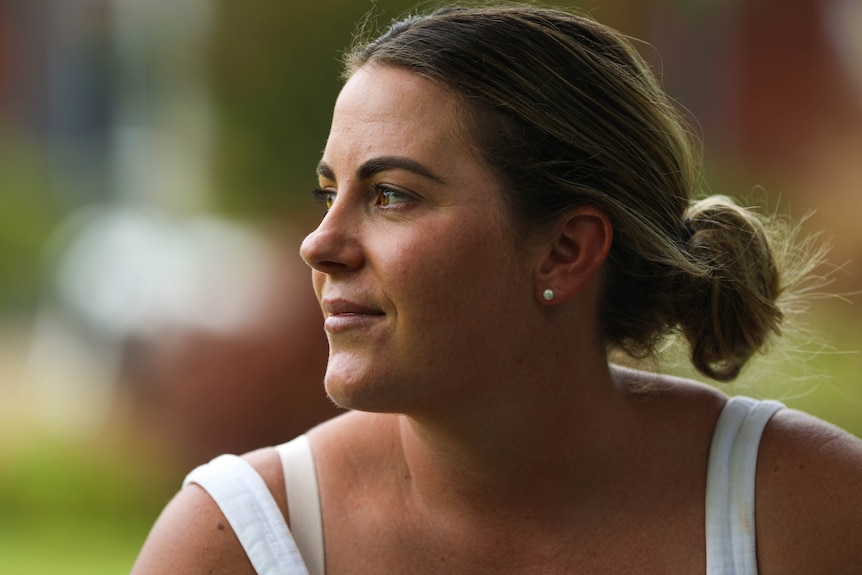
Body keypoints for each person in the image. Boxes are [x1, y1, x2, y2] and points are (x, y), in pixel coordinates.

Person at [130, 3, 862, 573]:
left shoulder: (807, 513)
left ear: (565, 251)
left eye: (390, 195)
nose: (320, 244)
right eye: (331, 194)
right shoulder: (243, 542)